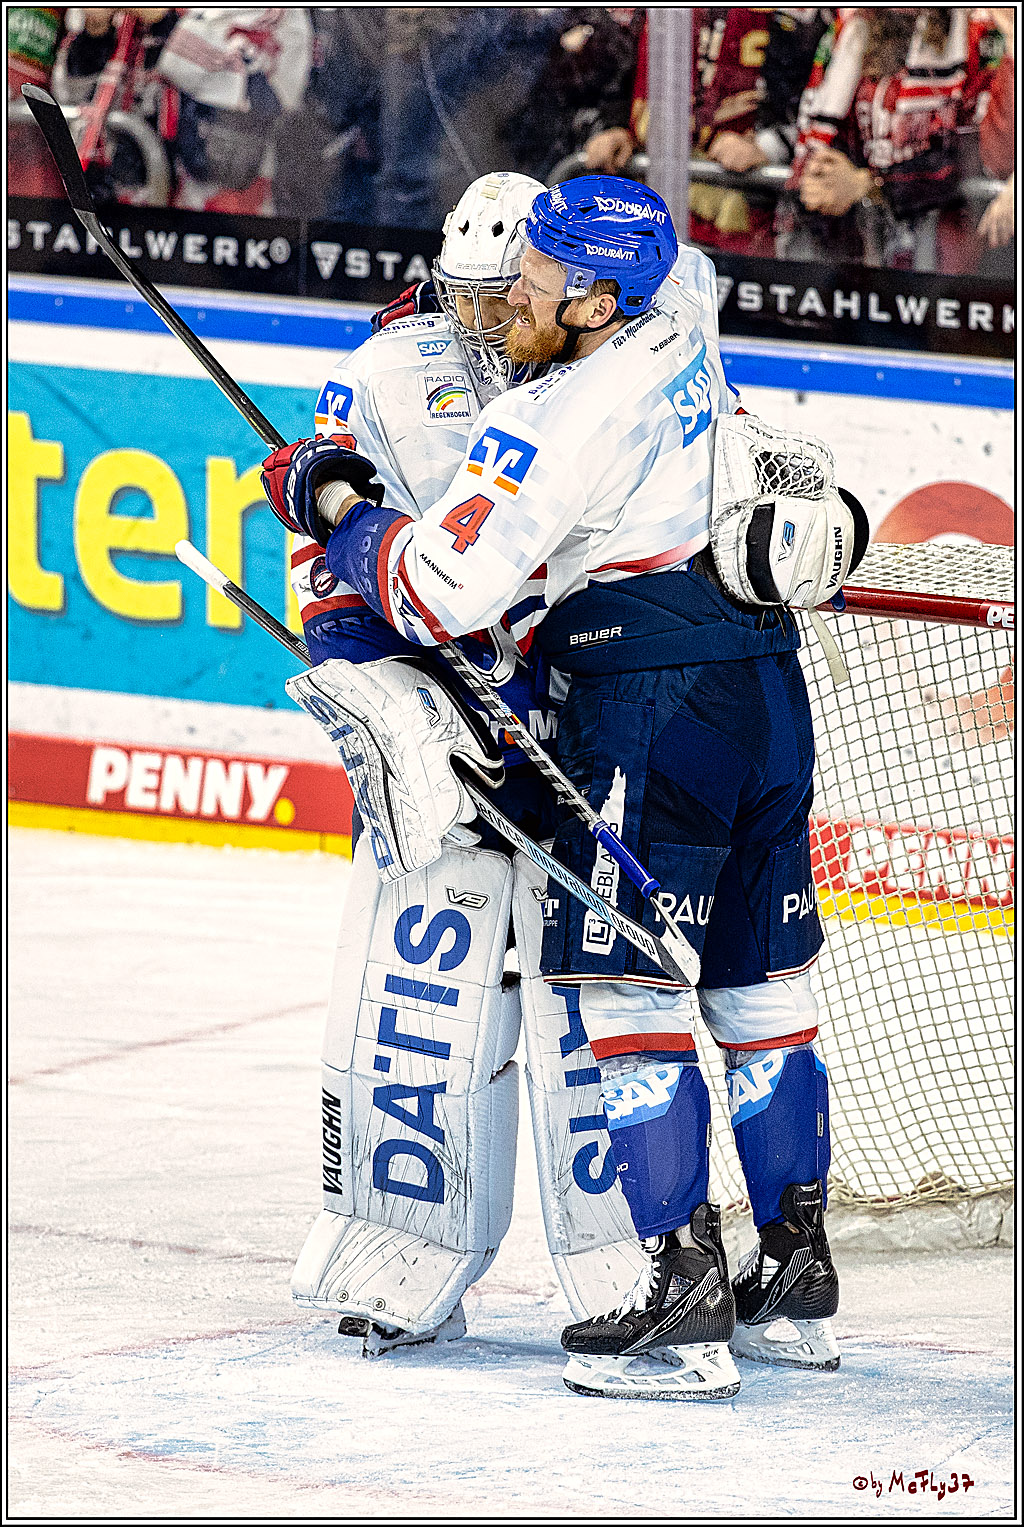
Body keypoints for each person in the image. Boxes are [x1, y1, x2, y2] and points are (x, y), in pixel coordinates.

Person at [262, 175, 868, 1399]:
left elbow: (438, 592)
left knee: (625, 996)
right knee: (761, 993)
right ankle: (793, 1283)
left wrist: (332, 504)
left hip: (647, 711)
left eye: (534, 286)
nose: (508, 306)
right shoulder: (681, 312)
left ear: (596, 302)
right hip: (761, 686)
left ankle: (679, 1317)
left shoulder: (550, 420)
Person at [274, 170, 654, 1359]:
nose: (488, 318)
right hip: (451, 718)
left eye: (511, 292)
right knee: (421, 976)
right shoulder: (392, 367)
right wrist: (386, 679)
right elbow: (334, 555)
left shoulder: (616, 366)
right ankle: (403, 1241)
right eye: (469, 294)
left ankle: (637, 1258)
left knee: (594, 1002)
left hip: (585, 717)